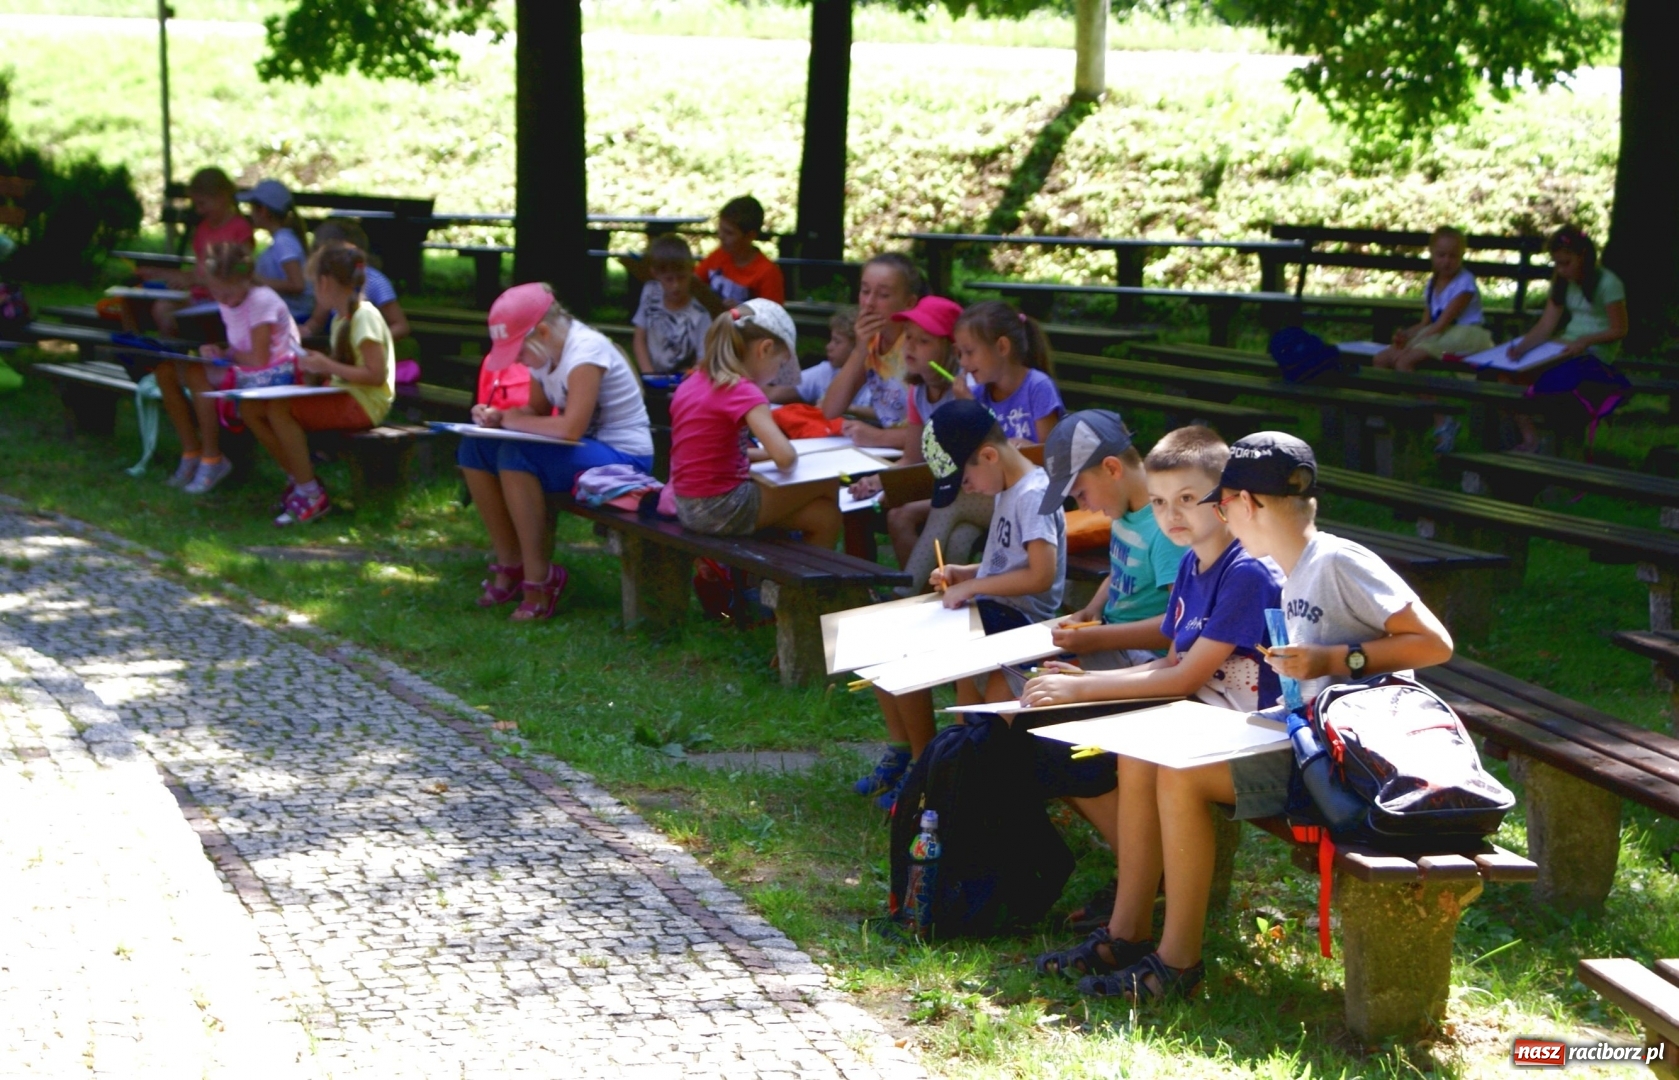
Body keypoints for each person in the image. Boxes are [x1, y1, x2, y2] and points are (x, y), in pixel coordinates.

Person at [1033, 432, 1452, 1004]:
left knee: (1177, 771)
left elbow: (1435, 644)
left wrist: (1338, 659)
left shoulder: (1332, 561)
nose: (1209, 514)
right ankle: (1125, 936)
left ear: (1244, 505)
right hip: (1298, 739)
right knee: (1143, 755)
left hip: (1342, 763)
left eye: (1216, 501)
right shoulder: (1282, 565)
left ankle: (1177, 963)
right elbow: (1182, 659)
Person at [855, 400, 1066, 811]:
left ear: (988, 455)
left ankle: (927, 769)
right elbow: (1007, 563)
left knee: (909, 647)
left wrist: (974, 588)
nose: (967, 490)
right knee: (879, 637)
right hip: (993, 608)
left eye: (966, 480)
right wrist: (965, 574)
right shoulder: (1006, 486)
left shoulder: (1033, 494)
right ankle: (911, 755)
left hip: (1020, 621)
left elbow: (1041, 574)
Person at [1023, 426, 1282, 714]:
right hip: (1200, 710)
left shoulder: (1247, 573)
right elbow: (1173, 661)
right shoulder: (1189, 563)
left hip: (1249, 730)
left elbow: (1183, 679)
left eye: (1186, 498)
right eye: (1158, 501)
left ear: (1225, 496)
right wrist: (1082, 679)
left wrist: (1081, 688)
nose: (1171, 515)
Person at [459, 283, 654, 621]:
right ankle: (511, 564)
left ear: (543, 332)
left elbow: (569, 428)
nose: (517, 361)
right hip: (584, 452)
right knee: (473, 447)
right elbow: (535, 410)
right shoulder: (544, 354)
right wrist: (498, 418)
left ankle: (540, 580)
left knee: (516, 455)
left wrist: (514, 421)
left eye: (518, 351)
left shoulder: (586, 352)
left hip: (623, 459)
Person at [668, 299, 841, 549]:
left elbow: (711, 453)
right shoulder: (743, 391)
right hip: (722, 507)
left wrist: (764, 455)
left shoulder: (694, 382)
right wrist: (790, 451)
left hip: (688, 506)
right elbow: (786, 459)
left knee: (824, 516)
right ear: (766, 349)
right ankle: (819, 584)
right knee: (827, 480)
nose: (776, 376)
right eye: (780, 364)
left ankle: (804, 582)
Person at [240, 246, 394, 526]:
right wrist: (313, 368)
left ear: (325, 282)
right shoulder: (341, 318)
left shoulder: (365, 316)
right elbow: (343, 367)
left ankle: (310, 493)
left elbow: (375, 375)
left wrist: (327, 367)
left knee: (279, 409)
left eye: (314, 284)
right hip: (346, 395)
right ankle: (299, 480)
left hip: (365, 403)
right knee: (250, 408)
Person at [1039, 410, 1182, 670]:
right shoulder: (1123, 509)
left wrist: (1098, 639)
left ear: (1112, 468)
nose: (1084, 508)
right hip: (1111, 639)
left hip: (1145, 659)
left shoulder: (1167, 530)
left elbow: (1180, 624)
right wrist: (1093, 609)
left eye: (1081, 494)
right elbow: (1120, 570)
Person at [154, 241, 299, 495]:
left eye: (227, 294)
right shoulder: (230, 299)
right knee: (165, 372)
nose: (222, 299)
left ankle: (212, 459)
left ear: (245, 280)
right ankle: (191, 452)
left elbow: (259, 359)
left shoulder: (261, 300)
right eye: (216, 293)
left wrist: (225, 355)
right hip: (252, 369)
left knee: (197, 373)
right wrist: (219, 351)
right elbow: (240, 347)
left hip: (276, 373)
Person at [1505, 226, 1630, 452]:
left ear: (1583, 256)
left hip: (1594, 352)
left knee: (1549, 381)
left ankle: (1554, 441)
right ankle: (1529, 436)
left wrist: (1586, 341)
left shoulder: (1609, 283)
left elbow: (1619, 329)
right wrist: (1521, 347)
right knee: (1506, 375)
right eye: (1557, 263)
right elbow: (1546, 325)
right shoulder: (1562, 282)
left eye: (1566, 263)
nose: (1561, 270)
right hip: (1565, 345)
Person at [1371, 227, 1492, 453]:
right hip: (1440, 332)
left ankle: (1441, 419)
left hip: (1464, 333)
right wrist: (1406, 335)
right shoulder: (1433, 283)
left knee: (1404, 361)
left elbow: (1442, 323)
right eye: (1441, 255)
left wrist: (1412, 343)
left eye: (1453, 256)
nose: (1447, 261)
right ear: (1432, 254)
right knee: (1382, 358)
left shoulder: (1464, 284)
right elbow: (1427, 322)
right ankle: (1390, 413)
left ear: (1462, 256)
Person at [818, 253, 924, 450]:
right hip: (885, 452)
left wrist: (879, 437)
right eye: (865, 291)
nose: (869, 302)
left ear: (909, 303)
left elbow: (938, 431)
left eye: (883, 295)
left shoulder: (919, 346)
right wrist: (859, 349)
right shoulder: (871, 343)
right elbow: (831, 409)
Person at [137, 167, 253, 336]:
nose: (199, 211)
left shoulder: (240, 229)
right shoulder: (203, 229)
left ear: (222, 197)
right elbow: (199, 271)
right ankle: (174, 359)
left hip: (227, 300)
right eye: (196, 204)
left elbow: (243, 272)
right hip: (200, 297)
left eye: (202, 204)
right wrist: (163, 275)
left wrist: (200, 280)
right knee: (160, 307)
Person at [953, 300, 1063, 445]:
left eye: (969, 352)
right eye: (960, 354)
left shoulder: (1038, 388)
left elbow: (1051, 455)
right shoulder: (975, 395)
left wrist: (1028, 450)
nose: (963, 362)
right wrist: (970, 409)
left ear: (1002, 347)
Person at [300, 220, 409, 340]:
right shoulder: (331, 285)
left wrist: (373, 341)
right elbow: (317, 321)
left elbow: (400, 325)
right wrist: (302, 332)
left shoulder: (374, 281)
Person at [632, 234, 710, 375]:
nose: (676, 285)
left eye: (681, 278)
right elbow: (639, 337)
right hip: (650, 375)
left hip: (683, 381)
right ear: (655, 274)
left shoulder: (700, 315)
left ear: (692, 271)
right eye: (669, 279)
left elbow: (703, 358)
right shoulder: (650, 293)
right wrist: (648, 373)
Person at [239, 179, 314, 322]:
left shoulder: (283, 241)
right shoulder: (280, 240)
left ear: (263, 211)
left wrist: (259, 281)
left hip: (296, 316)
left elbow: (297, 284)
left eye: (252, 208)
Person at [694, 195, 785, 305]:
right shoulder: (719, 255)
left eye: (729, 233)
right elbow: (693, 283)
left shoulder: (768, 274)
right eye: (721, 229)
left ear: (750, 236)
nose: (721, 236)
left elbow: (773, 317)